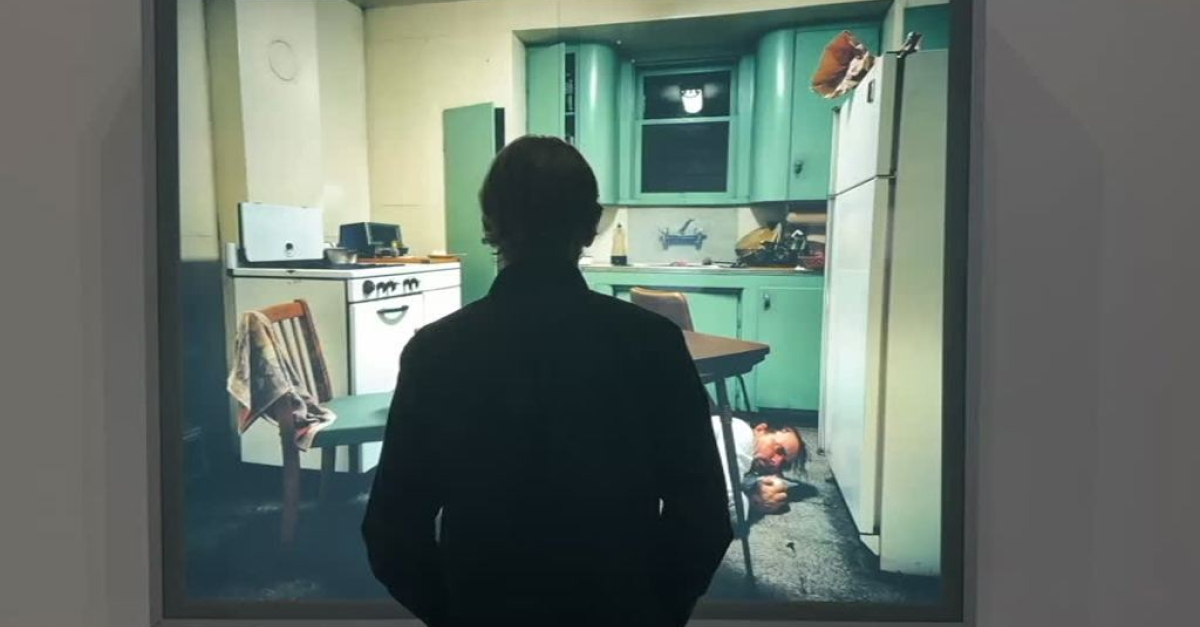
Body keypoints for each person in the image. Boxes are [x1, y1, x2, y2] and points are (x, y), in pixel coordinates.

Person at [362, 135, 733, 627]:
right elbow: (704, 516)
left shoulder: (434, 351)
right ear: (592, 224)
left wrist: (456, 615)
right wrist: (654, 611)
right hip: (621, 607)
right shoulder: (655, 343)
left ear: (489, 224)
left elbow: (392, 532)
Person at [709, 416, 805, 520]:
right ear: (760, 429)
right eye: (779, 450)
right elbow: (730, 502)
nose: (776, 462)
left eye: (783, 464)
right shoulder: (742, 433)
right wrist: (751, 501)